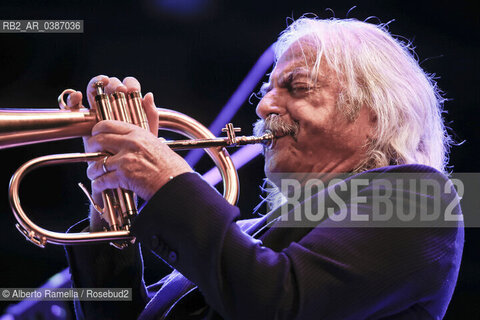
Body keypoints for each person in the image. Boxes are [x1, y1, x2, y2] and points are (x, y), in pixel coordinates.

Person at [65, 17, 464, 319]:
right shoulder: (247, 235)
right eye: (268, 88)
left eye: (298, 87)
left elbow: (276, 303)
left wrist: (168, 180)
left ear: (375, 110)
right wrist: (112, 203)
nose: (264, 106)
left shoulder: (426, 198)